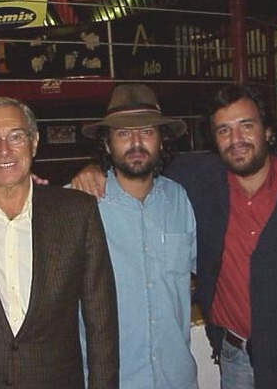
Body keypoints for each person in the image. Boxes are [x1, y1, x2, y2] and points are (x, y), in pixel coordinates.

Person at [72, 83, 277, 389]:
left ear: (268, 131)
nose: (236, 139)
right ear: (107, 144)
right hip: (225, 362)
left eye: (246, 125)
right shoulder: (82, 205)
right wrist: (86, 170)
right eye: (224, 130)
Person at [0, 96, 119, 388]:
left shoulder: (77, 212)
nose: (4, 150)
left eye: (15, 136)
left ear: (34, 142)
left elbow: (102, 321)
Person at [78, 84, 198, 388]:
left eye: (146, 132)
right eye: (122, 134)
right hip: (111, 381)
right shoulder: (80, 206)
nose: (135, 142)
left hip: (177, 379)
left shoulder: (179, 200)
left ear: (161, 141)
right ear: (107, 145)